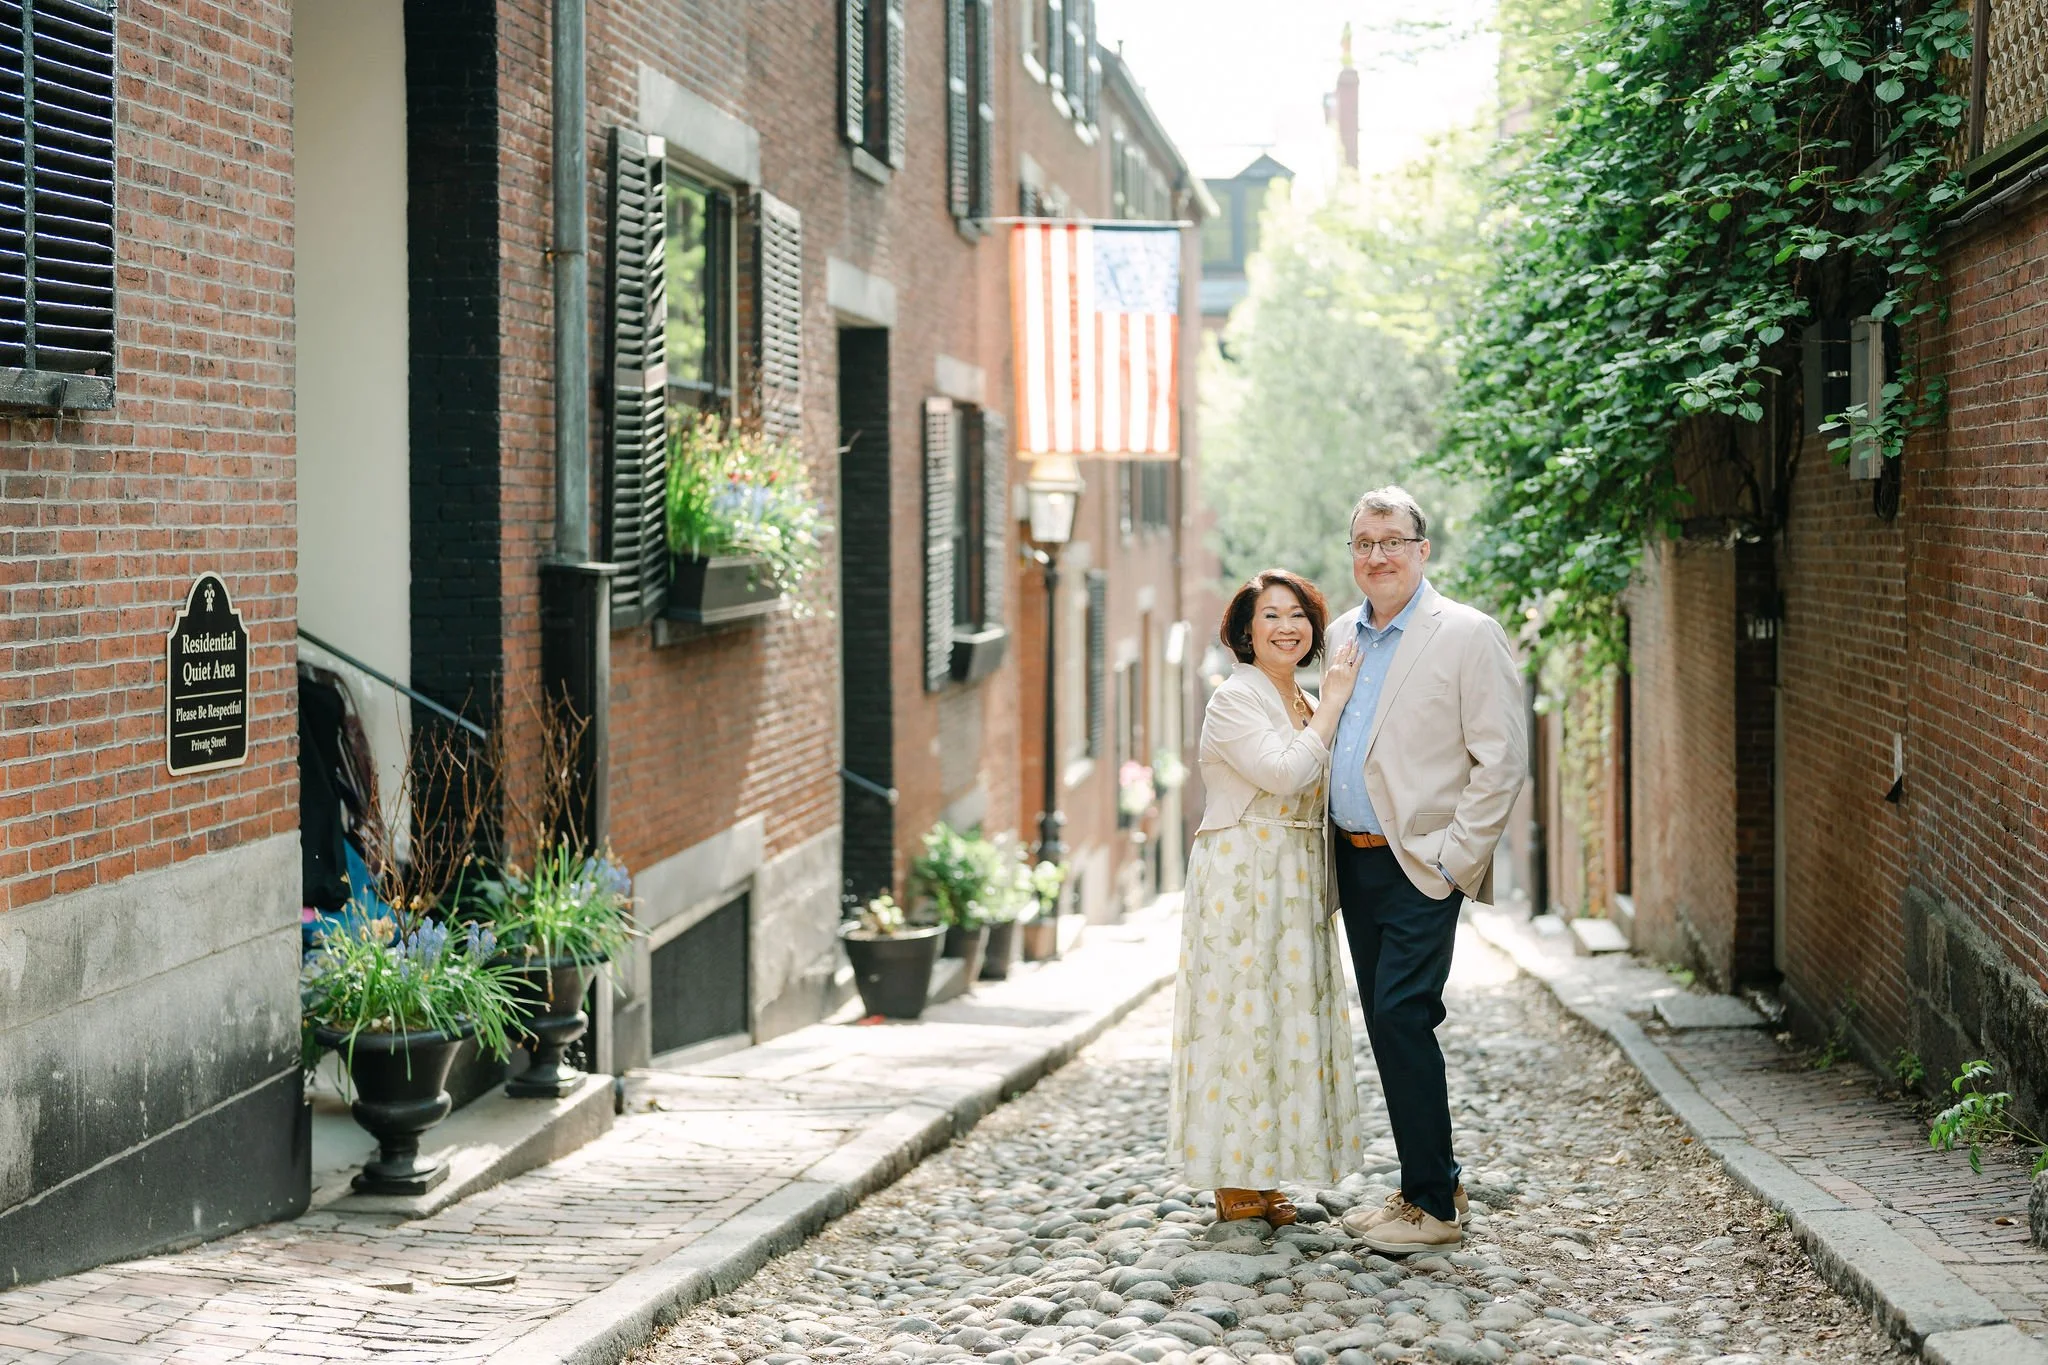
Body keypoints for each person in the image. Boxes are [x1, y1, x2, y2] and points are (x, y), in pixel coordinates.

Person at [1327, 486, 1527, 1255]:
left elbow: (1501, 760)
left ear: (1421, 549)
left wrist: (1450, 862)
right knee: (1385, 1020)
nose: (1376, 555)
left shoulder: (1468, 634)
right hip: (1353, 860)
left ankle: (1435, 1208)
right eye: (1363, 542)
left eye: (1391, 540)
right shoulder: (1344, 632)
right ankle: (1424, 1181)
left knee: (1405, 1014)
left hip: (1420, 865)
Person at [1169, 569, 1366, 1226]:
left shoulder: (1304, 700)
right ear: (1246, 631)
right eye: (1271, 616)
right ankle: (1233, 1177)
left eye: (1298, 615)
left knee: (1280, 1023)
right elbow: (1284, 775)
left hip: (1294, 881)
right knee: (1238, 1020)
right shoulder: (1236, 699)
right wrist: (1336, 702)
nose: (1288, 627)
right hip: (1242, 878)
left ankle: (1264, 1170)